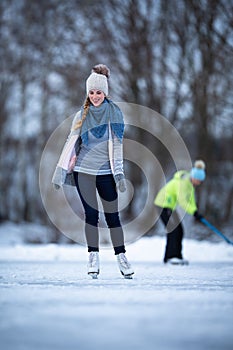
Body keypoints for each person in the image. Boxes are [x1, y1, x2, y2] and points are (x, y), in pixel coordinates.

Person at [52, 64, 134, 279]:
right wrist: (60, 171)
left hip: (106, 172)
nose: (95, 96)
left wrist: (119, 174)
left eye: (99, 92)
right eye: (91, 92)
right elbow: (71, 143)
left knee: (112, 217)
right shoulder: (81, 115)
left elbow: (117, 147)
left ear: (105, 93)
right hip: (83, 171)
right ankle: (93, 257)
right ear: (87, 93)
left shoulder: (114, 114)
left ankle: (121, 258)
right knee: (91, 216)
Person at [154, 160, 206, 265]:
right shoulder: (183, 183)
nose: (199, 183)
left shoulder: (190, 185)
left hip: (169, 206)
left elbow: (191, 200)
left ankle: (176, 256)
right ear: (194, 177)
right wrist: (193, 212)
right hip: (163, 205)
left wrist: (195, 212)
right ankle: (171, 257)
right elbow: (183, 200)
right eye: (199, 180)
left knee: (179, 231)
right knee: (173, 231)